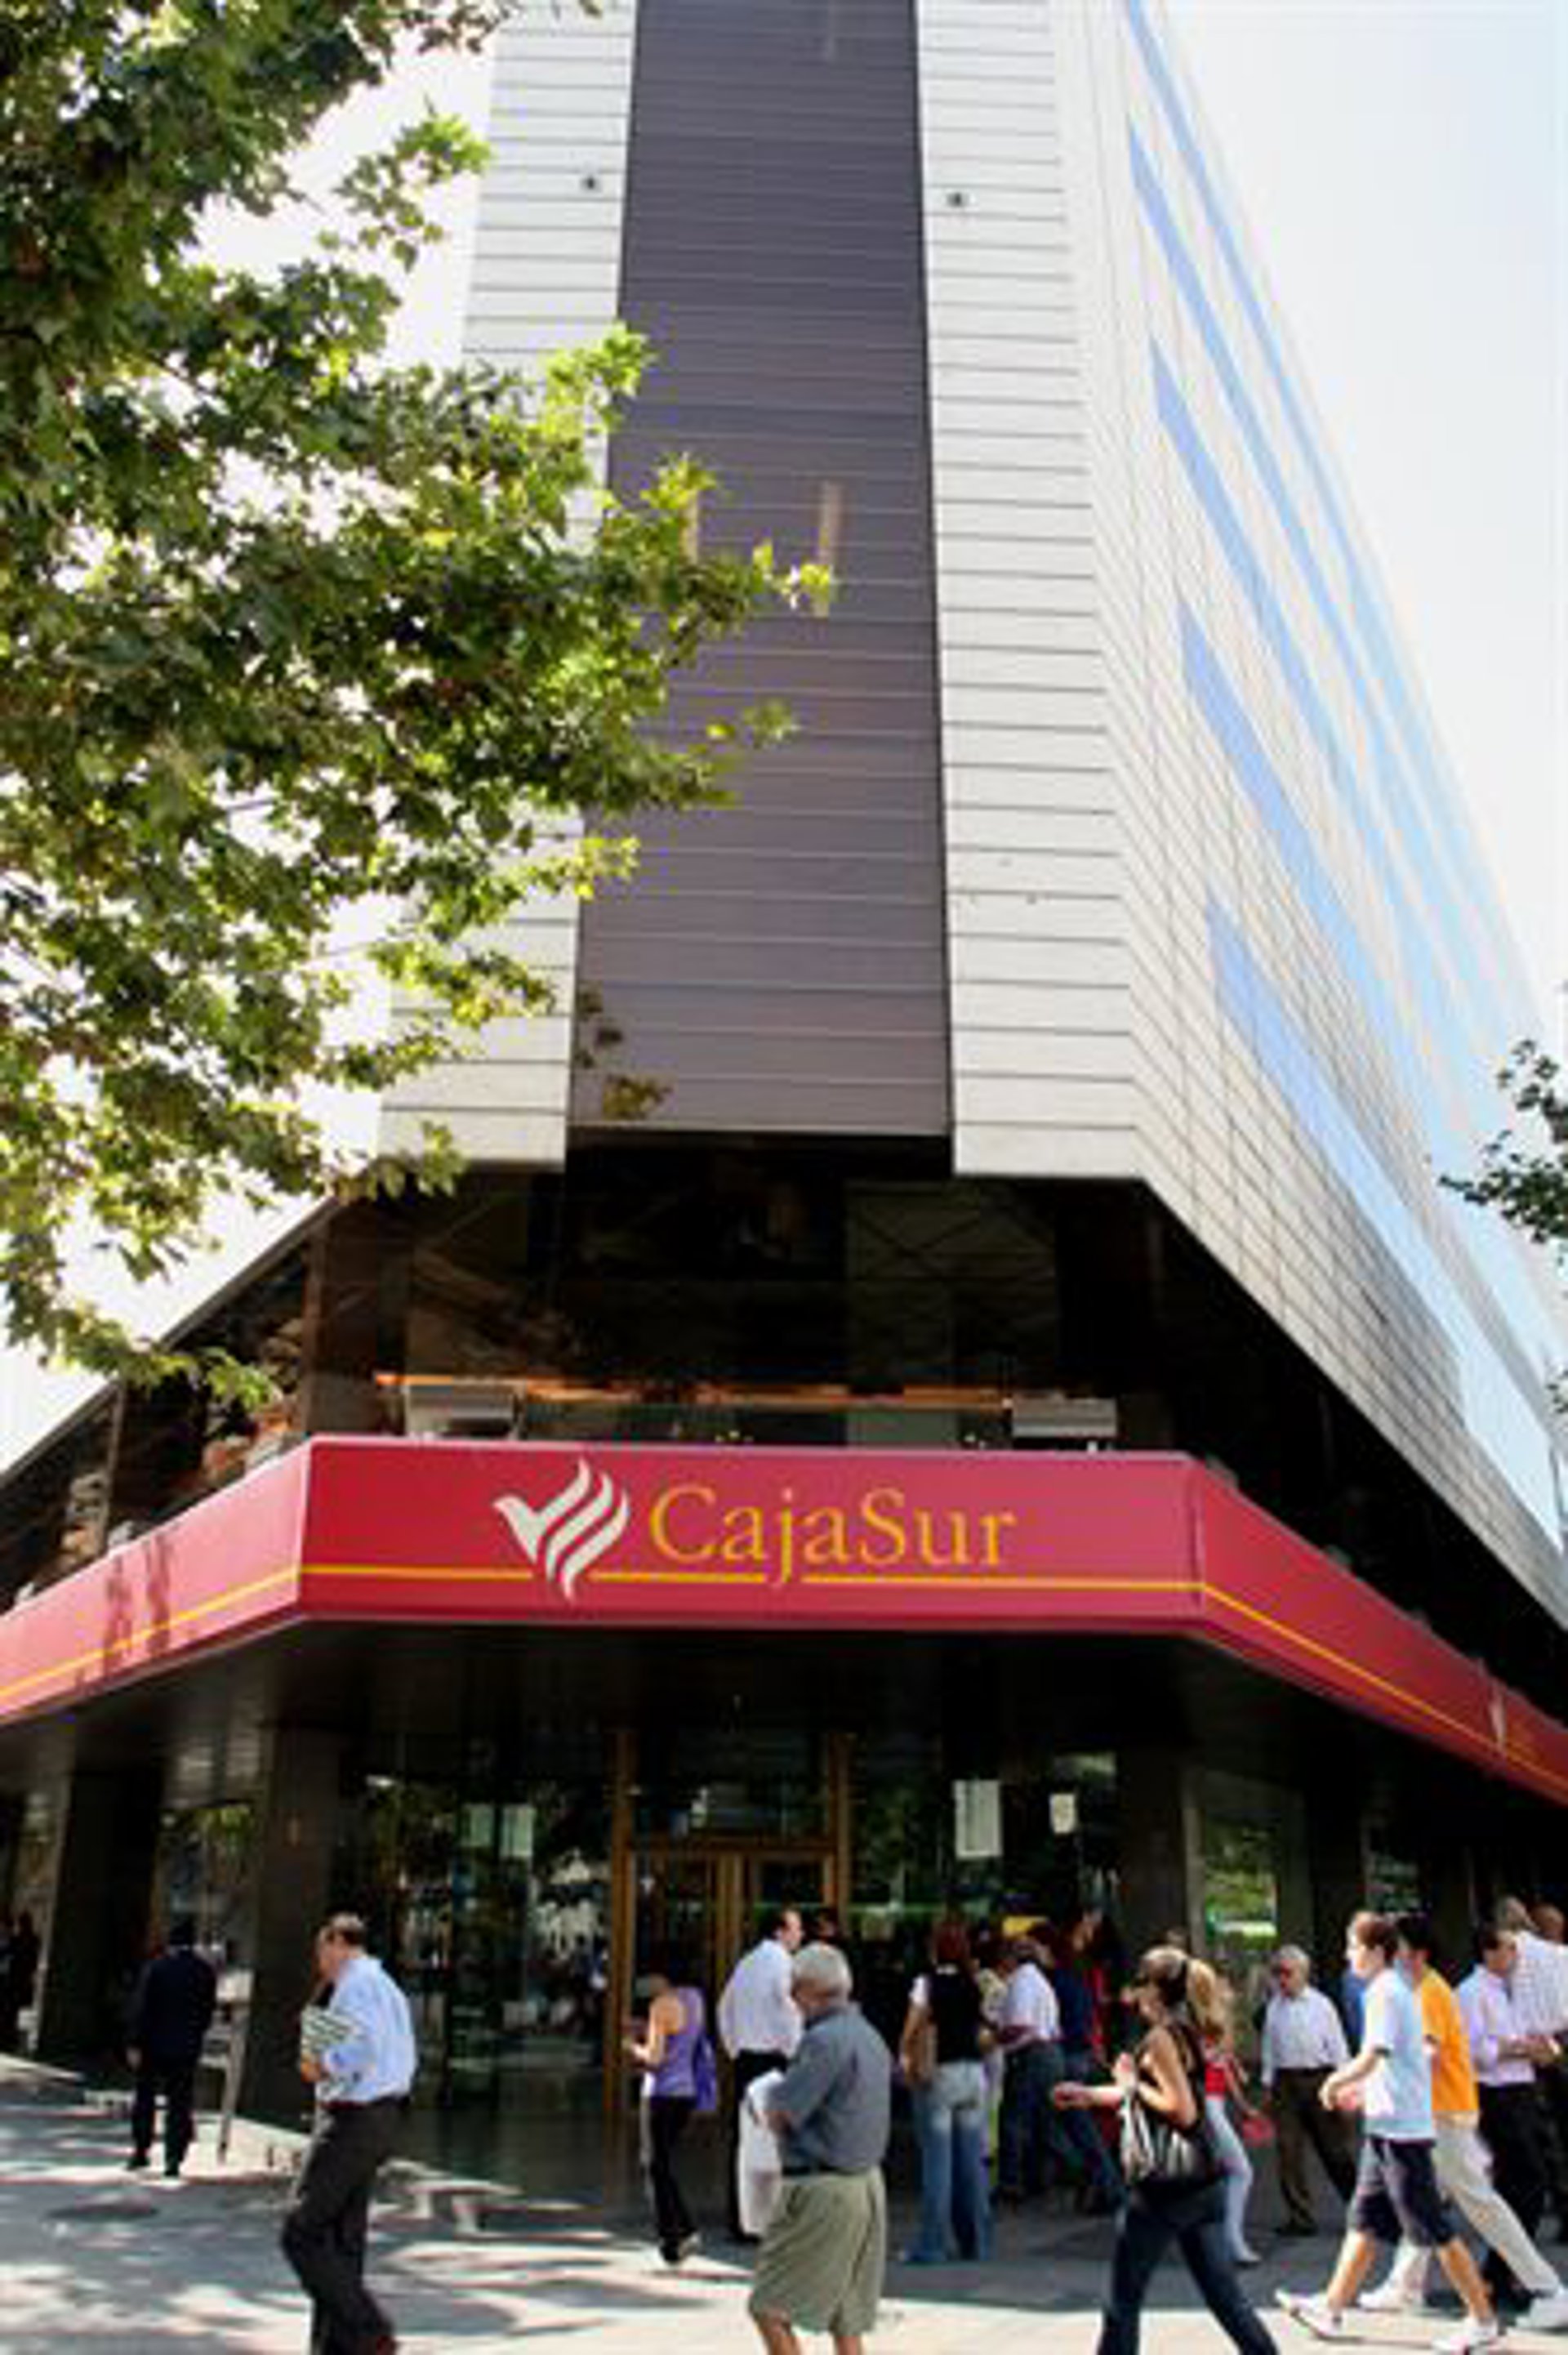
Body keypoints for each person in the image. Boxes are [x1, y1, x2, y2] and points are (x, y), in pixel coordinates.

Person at [1275, 1909, 1499, 2351]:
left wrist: (1335, 2082)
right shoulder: (1390, 1989)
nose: (1347, 1954)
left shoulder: (1384, 1992)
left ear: (1377, 1951)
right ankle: (1331, 2308)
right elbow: (1391, 2061)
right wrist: (1359, 2090)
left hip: (1402, 2131)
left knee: (1432, 2227)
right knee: (1363, 2219)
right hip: (1388, 2125)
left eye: (1353, 1946)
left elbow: (1373, 2056)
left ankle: (1483, 2320)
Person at [1054, 1943, 1277, 2352]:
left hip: (1167, 2188)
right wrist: (1090, 2094)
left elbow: (1181, 2110)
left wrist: (1128, 2084)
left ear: (1155, 1990)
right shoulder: (1187, 2030)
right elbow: (1159, 2094)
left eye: (1140, 1982)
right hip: (1203, 2182)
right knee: (1227, 2300)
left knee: (1123, 2300)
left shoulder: (1161, 2038)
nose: (1135, 1992)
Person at [1359, 1914, 1568, 2330]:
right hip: (1444, 2107)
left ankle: (1548, 2289)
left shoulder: (1429, 1992)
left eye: (1396, 1948)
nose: (1388, 1955)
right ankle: (1404, 2284)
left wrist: (1369, 2078)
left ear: (1416, 1954)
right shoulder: (1440, 1990)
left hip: (1444, 2110)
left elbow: (1428, 2052)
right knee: (1425, 2199)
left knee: (1475, 2200)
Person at [280, 1912, 416, 2355]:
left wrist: (323, 2065)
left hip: (353, 2117)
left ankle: (367, 2329)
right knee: (342, 2236)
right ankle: (338, 2345)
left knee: (301, 2229)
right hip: (382, 2115)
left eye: (322, 1952)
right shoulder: (389, 1988)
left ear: (338, 1942)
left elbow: (363, 2048)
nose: (321, 1963)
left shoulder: (356, 1985)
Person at [750, 1940, 891, 2355]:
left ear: (809, 1991)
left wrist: (768, 2101)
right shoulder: (868, 2035)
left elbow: (781, 2114)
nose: (792, 2001)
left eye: (793, 1991)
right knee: (846, 2317)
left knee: (768, 2306)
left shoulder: (823, 2041)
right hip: (866, 2183)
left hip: (824, 2190)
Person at [1457, 1919, 1563, 2309]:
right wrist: (1519, 2049)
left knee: (1526, 2183)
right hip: (1496, 2094)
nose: (1515, 1954)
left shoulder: (1511, 1989)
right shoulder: (1471, 1992)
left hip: (1522, 2089)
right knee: (1527, 2182)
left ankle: (1500, 2274)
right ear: (1488, 1953)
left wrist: (1541, 2049)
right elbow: (1474, 2050)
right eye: (1508, 1947)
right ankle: (1500, 2274)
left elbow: (1527, 2033)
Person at [898, 1917, 991, 2264]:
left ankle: (932, 2245)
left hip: (939, 2074)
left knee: (937, 2163)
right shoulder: (974, 1982)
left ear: (934, 1950)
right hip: (974, 2074)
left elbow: (912, 2028)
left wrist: (904, 2056)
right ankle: (977, 2242)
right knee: (972, 2163)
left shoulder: (927, 1984)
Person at [719, 1907, 804, 2241]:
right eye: (796, 1928)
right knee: (776, 2142)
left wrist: (734, 2047)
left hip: (747, 2060)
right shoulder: (783, 1964)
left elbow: (724, 2008)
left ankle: (742, 2219)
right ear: (780, 1932)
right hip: (773, 2060)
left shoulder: (747, 1963)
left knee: (746, 2141)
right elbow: (788, 2012)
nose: (801, 1935)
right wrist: (796, 2051)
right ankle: (771, 2221)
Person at [1259, 1944, 1356, 2235]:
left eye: (1287, 1973)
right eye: (1277, 1973)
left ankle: (1361, 2210)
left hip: (1319, 2079)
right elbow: (1269, 2048)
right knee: (1288, 2153)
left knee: (1334, 2151)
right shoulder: (1274, 2007)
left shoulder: (1321, 2005)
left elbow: (1338, 2047)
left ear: (1303, 1973)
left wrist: (1344, 2084)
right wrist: (1267, 2086)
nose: (1281, 1979)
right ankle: (1300, 2217)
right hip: (1286, 2084)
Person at [625, 1947, 707, 2267]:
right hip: (686, 2091)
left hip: (660, 2093)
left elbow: (655, 2058)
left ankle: (675, 2236)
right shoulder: (695, 1999)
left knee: (656, 2166)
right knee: (664, 2165)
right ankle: (681, 2232)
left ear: (663, 1975)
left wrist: (633, 2047)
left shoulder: (662, 2004)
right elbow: (683, 2040)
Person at [126, 1916, 216, 2179]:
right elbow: (207, 2012)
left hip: (152, 2045)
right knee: (180, 2102)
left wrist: (134, 2043)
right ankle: (174, 2157)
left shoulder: (156, 1968)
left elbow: (142, 2009)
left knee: (145, 2098)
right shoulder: (204, 1971)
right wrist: (195, 2035)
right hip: (186, 2047)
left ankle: (141, 2150)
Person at [1046, 1921, 1125, 2214]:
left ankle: (1104, 2183)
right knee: (1082, 2128)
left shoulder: (1060, 1980)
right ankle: (1101, 2182)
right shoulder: (1080, 1977)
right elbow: (1091, 2017)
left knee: (1075, 2128)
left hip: (1069, 2054)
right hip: (1083, 2052)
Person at [996, 1929, 1063, 2204]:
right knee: (1044, 2124)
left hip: (1030, 2055)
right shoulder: (1042, 1982)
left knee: (1013, 2121)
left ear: (1012, 1957)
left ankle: (1011, 2184)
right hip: (1050, 2053)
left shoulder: (1022, 1981)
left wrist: (994, 2035)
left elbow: (1019, 2025)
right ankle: (1042, 2180)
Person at [1200, 1976, 1263, 2268]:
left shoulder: (1218, 2028)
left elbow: (1225, 2073)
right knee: (1240, 2172)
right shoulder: (1207, 2027)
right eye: (1224, 1990)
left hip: (1214, 2104)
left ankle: (1224, 2241)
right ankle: (1231, 2242)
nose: (1232, 1994)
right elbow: (1211, 2066)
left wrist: (1243, 2105)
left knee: (1225, 2173)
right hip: (1208, 2105)